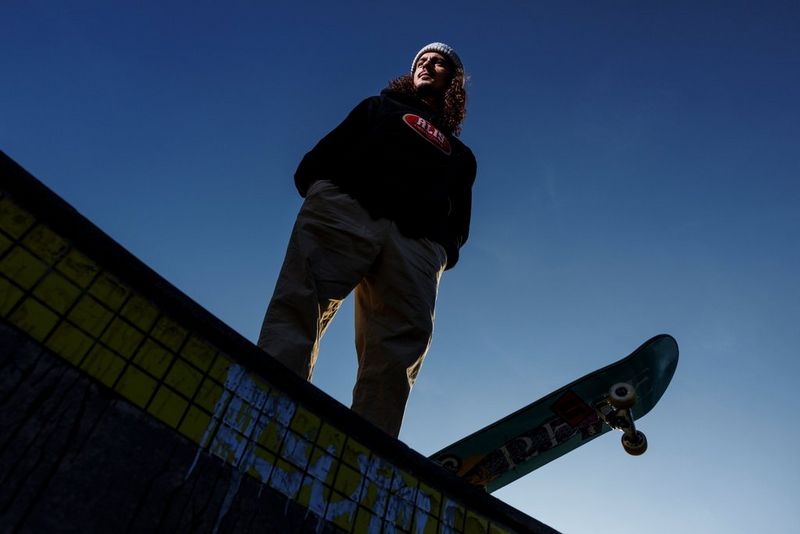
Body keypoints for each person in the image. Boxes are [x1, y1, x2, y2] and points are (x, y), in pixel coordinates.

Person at [258, 42, 477, 438]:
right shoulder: (379, 106)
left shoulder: (462, 154)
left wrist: (438, 248)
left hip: (416, 242)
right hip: (348, 207)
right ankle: (265, 405)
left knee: (398, 349)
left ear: (454, 81)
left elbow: (459, 218)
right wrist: (326, 189)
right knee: (301, 301)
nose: (427, 65)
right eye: (421, 61)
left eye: (438, 62)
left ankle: (368, 446)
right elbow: (325, 152)